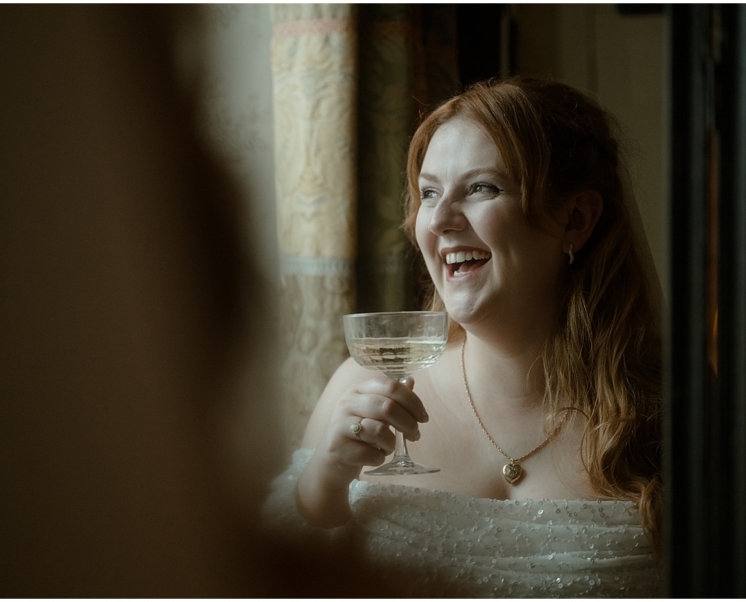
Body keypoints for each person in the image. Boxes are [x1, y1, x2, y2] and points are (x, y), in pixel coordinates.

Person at [264, 77, 665, 597]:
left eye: (482, 188)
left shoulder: (665, 402)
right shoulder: (365, 383)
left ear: (576, 218)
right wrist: (327, 476)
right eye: (429, 193)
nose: (440, 220)